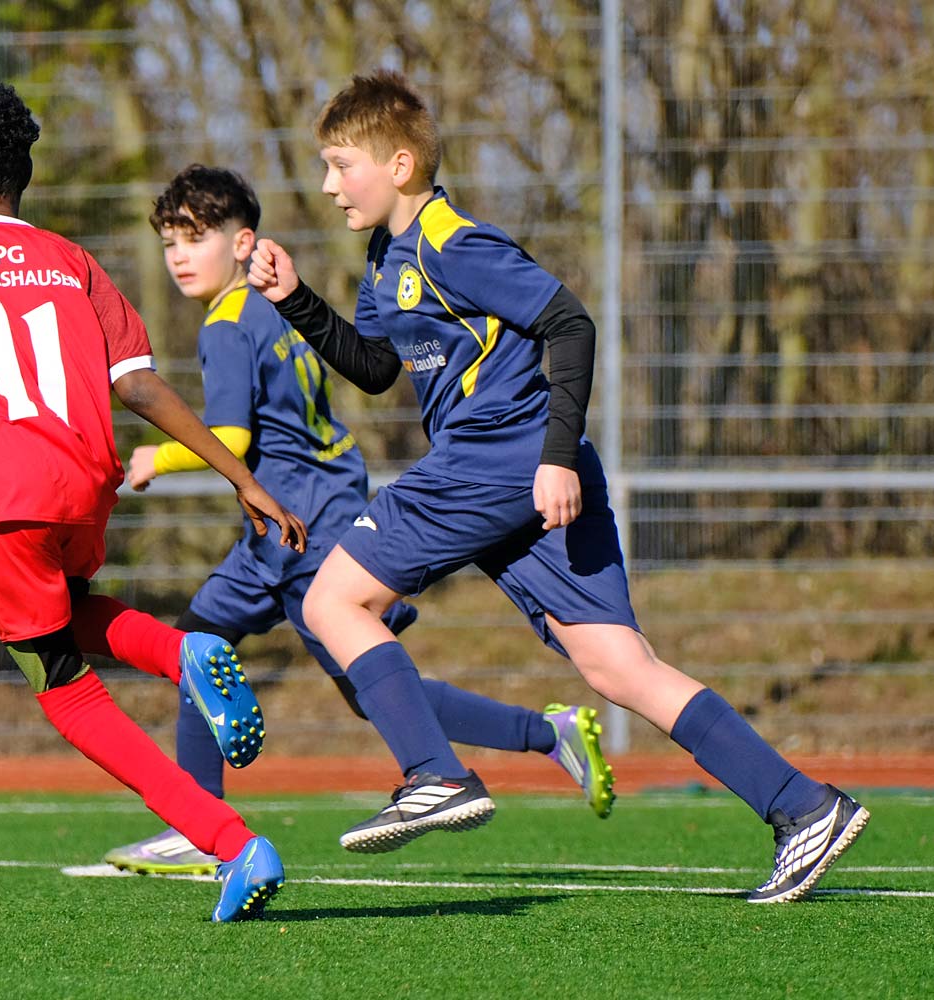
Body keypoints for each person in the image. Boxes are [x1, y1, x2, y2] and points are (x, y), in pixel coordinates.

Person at [246, 70, 868, 902]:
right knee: (618, 666)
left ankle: (435, 773)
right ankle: (804, 807)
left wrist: (556, 454)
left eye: (340, 165)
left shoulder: (454, 243)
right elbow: (377, 366)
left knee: (331, 602)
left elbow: (569, 322)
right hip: (518, 470)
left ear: (399, 164)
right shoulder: (387, 256)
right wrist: (294, 300)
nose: (327, 185)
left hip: (499, 457)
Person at [103, 164, 615, 877]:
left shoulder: (225, 325)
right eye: (169, 243)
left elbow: (233, 438)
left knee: (220, 654)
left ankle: (198, 821)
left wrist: (155, 455)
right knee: (284, 666)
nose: (179, 256)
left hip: (293, 528)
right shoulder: (268, 310)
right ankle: (544, 731)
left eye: (195, 238)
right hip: (313, 509)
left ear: (243, 242)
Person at [0, 80, 307, 921]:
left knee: (64, 685)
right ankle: (183, 653)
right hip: (83, 480)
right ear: (22, 173)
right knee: (67, 611)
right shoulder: (73, 261)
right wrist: (243, 478)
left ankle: (229, 842)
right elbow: (139, 386)